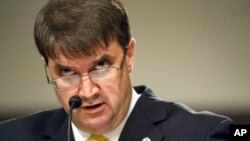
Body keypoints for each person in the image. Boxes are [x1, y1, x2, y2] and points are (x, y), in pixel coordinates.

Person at [0, 0, 234, 140]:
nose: (88, 91)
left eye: (101, 66)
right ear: (48, 70)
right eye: (67, 73)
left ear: (129, 55)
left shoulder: (203, 134)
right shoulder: (10, 136)